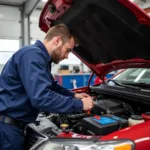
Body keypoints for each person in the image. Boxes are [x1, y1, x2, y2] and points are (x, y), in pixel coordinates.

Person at [0, 24, 94, 150]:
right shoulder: (33, 56)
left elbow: (52, 86)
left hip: (14, 126)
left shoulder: (39, 57)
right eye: (68, 50)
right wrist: (80, 105)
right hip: (8, 131)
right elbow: (42, 98)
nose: (67, 56)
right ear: (57, 41)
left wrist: (74, 95)